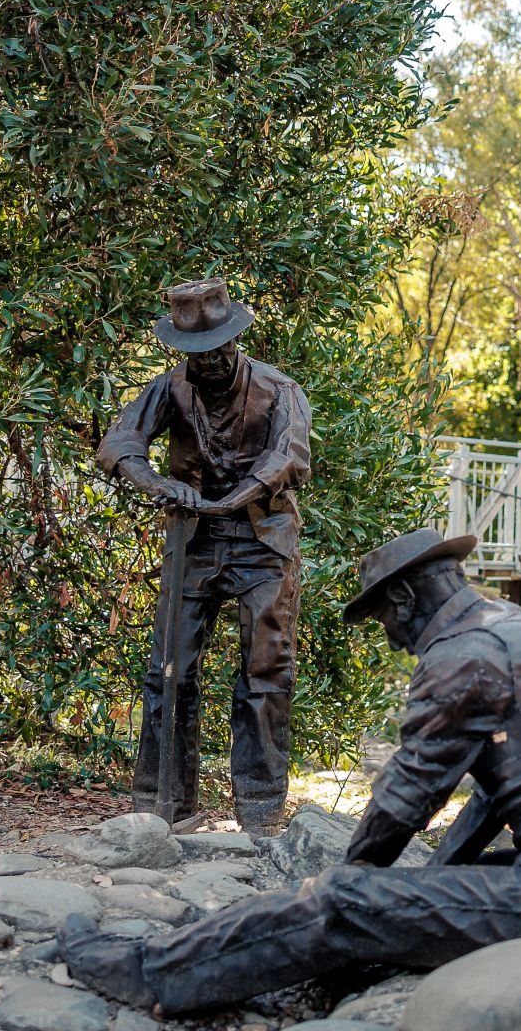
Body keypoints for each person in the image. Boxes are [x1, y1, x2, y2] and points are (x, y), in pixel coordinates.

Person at [58, 527, 521, 1018]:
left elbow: (403, 802)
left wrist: (354, 883)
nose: (393, 638)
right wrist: (419, 892)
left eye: (386, 619)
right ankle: (214, 944)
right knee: (394, 900)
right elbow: (490, 803)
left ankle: (150, 974)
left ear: (403, 596)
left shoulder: (462, 658)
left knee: (341, 904)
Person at [95, 278, 311, 833]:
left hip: (263, 541)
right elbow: (118, 445)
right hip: (193, 542)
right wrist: (158, 484)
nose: (209, 361)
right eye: (196, 353)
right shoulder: (169, 389)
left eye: (218, 349)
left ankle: (261, 814)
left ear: (236, 340)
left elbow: (290, 458)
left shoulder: (277, 388)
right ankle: (162, 807)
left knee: (266, 671)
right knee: (167, 671)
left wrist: (232, 500)